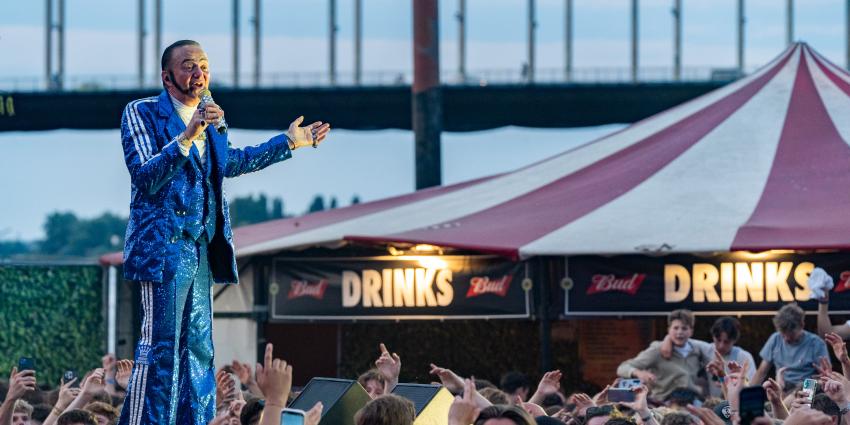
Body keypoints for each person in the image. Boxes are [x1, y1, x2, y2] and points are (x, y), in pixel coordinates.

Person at [117, 39, 330, 425]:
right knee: (161, 349)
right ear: (166, 76)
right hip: (163, 249)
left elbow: (229, 162)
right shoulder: (141, 112)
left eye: (203, 65)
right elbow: (146, 176)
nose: (198, 73)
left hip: (198, 248)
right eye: (187, 65)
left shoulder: (212, 116)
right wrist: (187, 136)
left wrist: (287, 143)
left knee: (199, 349)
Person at [616, 309, 711, 400]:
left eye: (684, 328)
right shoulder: (657, 349)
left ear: (691, 331)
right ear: (668, 330)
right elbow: (623, 367)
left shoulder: (698, 350)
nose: (679, 332)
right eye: (676, 328)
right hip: (664, 404)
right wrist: (639, 373)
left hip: (692, 403)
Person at [751, 304, 829, 386]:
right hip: (782, 387)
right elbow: (762, 372)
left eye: (791, 335)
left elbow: (826, 377)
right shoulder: (775, 339)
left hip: (807, 389)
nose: (786, 339)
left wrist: (806, 393)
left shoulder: (816, 343)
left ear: (802, 325)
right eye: (783, 334)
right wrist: (749, 394)